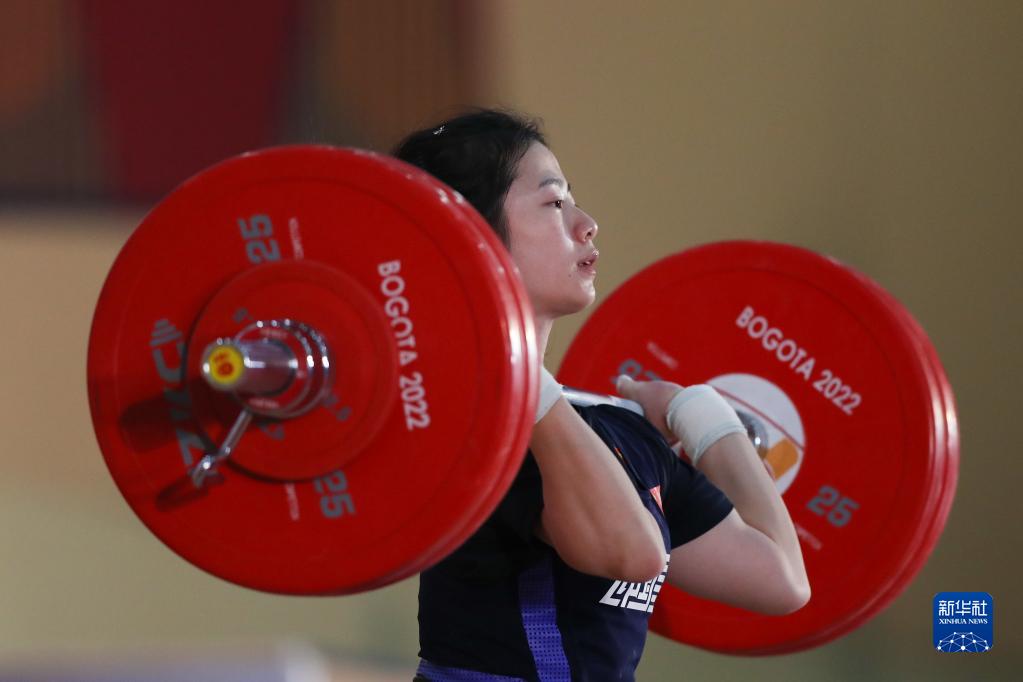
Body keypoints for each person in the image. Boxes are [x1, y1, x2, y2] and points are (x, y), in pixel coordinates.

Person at [393, 109, 810, 681]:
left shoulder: (612, 428)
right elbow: (632, 553)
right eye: (554, 202)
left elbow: (782, 580)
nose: (587, 224)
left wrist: (702, 417)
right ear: (470, 237)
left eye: (574, 201)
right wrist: (505, 359)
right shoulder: (482, 429)